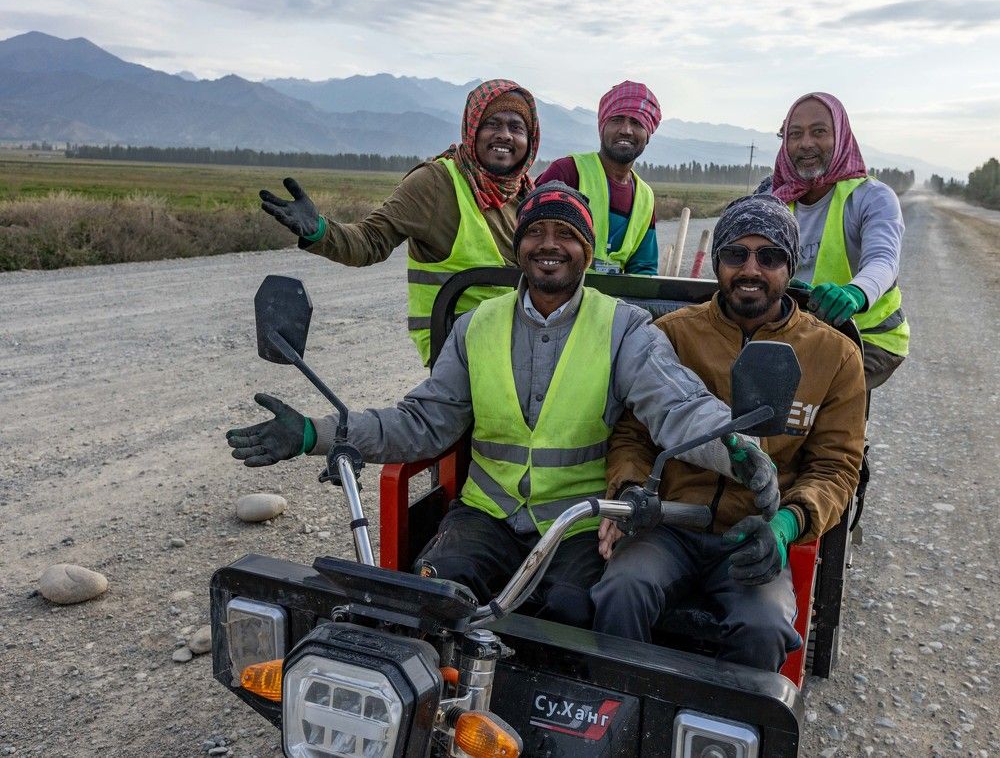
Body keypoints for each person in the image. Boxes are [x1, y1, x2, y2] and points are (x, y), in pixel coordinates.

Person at [227, 183, 780, 629]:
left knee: (571, 616)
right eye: (535, 231)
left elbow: (679, 406)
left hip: (577, 523)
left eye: (566, 234)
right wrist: (315, 433)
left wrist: (735, 448)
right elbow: (422, 422)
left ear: (586, 251)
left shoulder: (625, 328)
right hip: (484, 515)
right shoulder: (475, 326)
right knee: (433, 599)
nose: (549, 244)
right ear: (518, 246)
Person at [591, 194, 867, 671]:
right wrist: (630, 490)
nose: (751, 269)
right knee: (620, 590)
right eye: (736, 254)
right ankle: (619, 707)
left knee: (765, 627)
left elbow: (836, 467)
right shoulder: (672, 334)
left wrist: (786, 525)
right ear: (718, 261)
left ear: (790, 266)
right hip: (669, 525)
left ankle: (728, 720)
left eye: (770, 256)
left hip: (756, 534)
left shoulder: (835, 356)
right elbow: (633, 434)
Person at [258, 79, 541, 365]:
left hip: (519, 342)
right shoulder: (435, 184)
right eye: (492, 124)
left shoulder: (528, 194)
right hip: (458, 350)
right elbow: (371, 240)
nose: (505, 135)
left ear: (530, 140)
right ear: (473, 128)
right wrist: (320, 230)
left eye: (516, 128)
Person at [769, 91, 909, 390]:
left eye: (819, 132)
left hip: (866, 336)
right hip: (792, 329)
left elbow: (883, 260)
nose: (806, 143)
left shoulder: (871, 197)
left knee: (810, 394)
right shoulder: (770, 198)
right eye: (795, 134)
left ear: (841, 136)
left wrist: (855, 293)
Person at [535, 81, 660, 275]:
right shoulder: (568, 172)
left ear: (648, 134)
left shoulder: (645, 197)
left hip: (616, 295)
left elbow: (644, 268)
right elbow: (533, 244)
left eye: (636, 123)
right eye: (617, 120)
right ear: (602, 127)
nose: (626, 130)